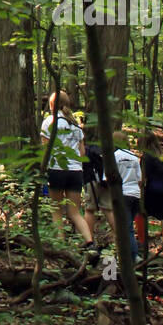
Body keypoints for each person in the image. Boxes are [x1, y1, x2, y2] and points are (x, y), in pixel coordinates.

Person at [40, 90, 93, 246]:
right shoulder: (75, 125)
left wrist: (42, 169)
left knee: (56, 209)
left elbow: (45, 149)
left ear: (51, 105)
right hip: (76, 171)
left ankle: (61, 245)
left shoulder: (49, 121)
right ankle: (90, 242)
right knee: (74, 211)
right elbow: (82, 152)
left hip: (56, 169)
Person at [138, 132, 163, 261]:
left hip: (150, 191)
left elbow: (143, 177)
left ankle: (142, 244)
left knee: (141, 214)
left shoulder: (146, 158)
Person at [113, 130, 142, 261]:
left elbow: (108, 178)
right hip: (135, 194)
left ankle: (133, 255)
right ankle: (127, 254)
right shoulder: (134, 157)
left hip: (122, 194)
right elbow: (139, 179)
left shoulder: (114, 156)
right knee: (129, 225)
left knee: (126, 226)